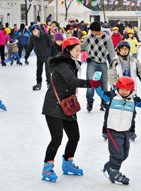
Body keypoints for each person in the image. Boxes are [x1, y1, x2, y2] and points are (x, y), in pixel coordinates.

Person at [41, 37, 101, 182]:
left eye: (80, 50)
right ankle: (47, 169)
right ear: (68, 50)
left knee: (74, 136)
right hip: (54, 105)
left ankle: (68, 163)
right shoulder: (62, 64)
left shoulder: (72, 63)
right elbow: (72, 81)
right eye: (77, 50)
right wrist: (90, 83)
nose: (79, 53)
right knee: (56, 140)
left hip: (67, 106)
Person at [95, 76, 141, 185]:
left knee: (124, 154)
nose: (124, 92)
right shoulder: (111, 97)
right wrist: (96, 81)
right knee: (117, 153)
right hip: (113, 130)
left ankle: (110, 165)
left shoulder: (133, 100)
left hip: (125, 130)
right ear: (117, 88)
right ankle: (114, 172)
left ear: (131, 90)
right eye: (122, 89)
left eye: (127, 90)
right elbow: (100, 92)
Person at [104, 41, 141, 141]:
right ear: (118, 50)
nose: (125, 51)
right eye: (122, 49)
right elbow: (111, 75)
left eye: (126, 49)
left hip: (130, 90)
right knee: (111, 111)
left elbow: (140, 72)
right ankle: (106, 131)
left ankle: (131, 131)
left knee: (131, 111)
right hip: (117, 90)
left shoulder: (134, 61)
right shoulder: (115, 61)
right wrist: (114, 87)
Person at [81, 22, 115, 112]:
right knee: (90, 83)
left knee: (104, 83)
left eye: (92, 30)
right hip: (92, 61)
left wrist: (114, 63)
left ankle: (104, 101)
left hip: (103, 62)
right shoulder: (89, 37)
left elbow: (111, 52)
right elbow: (82, 46)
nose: (90, 32)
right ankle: (89, 101)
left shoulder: (107, 38)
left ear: (96, 31)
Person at [25, 24, 52, 91]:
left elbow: (51, 44)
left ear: (39, 30)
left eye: (36, 31)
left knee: (47, 70)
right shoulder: (32, 38)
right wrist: (26, 56)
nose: (34, 32)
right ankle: (38, 83)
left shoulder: (45, 36)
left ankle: (49, 83)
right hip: (39, 56)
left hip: (47, 56)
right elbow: (29, 47)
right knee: (39, 70)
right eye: (33, 31)